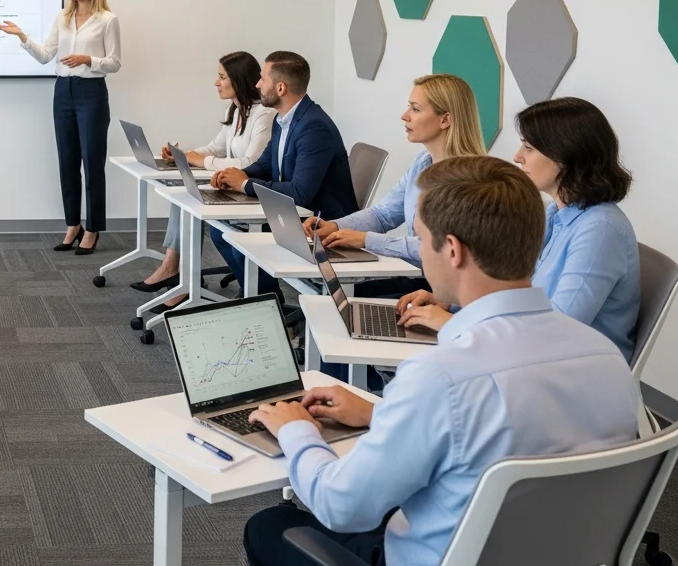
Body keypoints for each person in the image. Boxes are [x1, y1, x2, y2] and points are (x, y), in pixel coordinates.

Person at [241, 155, 639, 566]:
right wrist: (382, 414)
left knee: (271, 523)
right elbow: (495, 435)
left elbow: (340, 505)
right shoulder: (607, 358)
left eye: (419, 237)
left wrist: (297, 431)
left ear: (452, 250)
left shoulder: (441, 377)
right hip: (556, 551)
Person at [396, 96, 640, 361]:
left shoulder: (600, 230)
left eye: (528, 147)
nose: (517, 157)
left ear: (565, 155)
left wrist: (452, 323)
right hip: (525, 352)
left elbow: (556, 331)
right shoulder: (556, 214)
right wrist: (450, 303)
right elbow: (514, 291)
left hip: (567, 372)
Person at [303, 74, 486, 299]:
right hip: (416, 276)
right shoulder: (422, 161)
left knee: (339, 298)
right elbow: (384, 214)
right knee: (328, 291)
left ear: (445, 120)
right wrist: (333, 226)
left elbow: (438, 248)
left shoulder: (468, 179)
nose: (404, 116)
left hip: (442, 290)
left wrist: (367, 240)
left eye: (416, 109)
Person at [0, 0, 120, 255]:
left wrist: (88, 60)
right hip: (63, 92)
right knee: (67, 163)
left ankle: (92, 229)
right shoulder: (62, 18)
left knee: (92, 164)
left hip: (92, 92)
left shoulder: (107, 20)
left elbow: (115, 62)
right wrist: (22, 37)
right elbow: (46, 55)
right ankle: (72, 224)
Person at [207, 51, 356, 298]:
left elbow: (300, 193)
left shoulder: (313, 126)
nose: (257, 84)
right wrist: (233, 174)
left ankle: (268, 305)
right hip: (292, 212)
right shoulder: (283, 119)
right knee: (220, 231)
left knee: (237, 238)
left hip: (316, 221)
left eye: (262, 79)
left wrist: (244, 184)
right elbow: (265, 165)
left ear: (280, 87)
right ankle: (260, 298)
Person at [131, 51, 274, 304]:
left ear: (239, 80)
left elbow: (251, 163)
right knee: (183, 194)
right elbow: (215, 147)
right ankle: (176, 271)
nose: (216, 83)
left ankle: (176, 273)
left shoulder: (263, 114)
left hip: (251, 189)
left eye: (221, 77)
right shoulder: (237, 109)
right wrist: (183, 155)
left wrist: (200, 160)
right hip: (231, 184)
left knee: (190, 200)